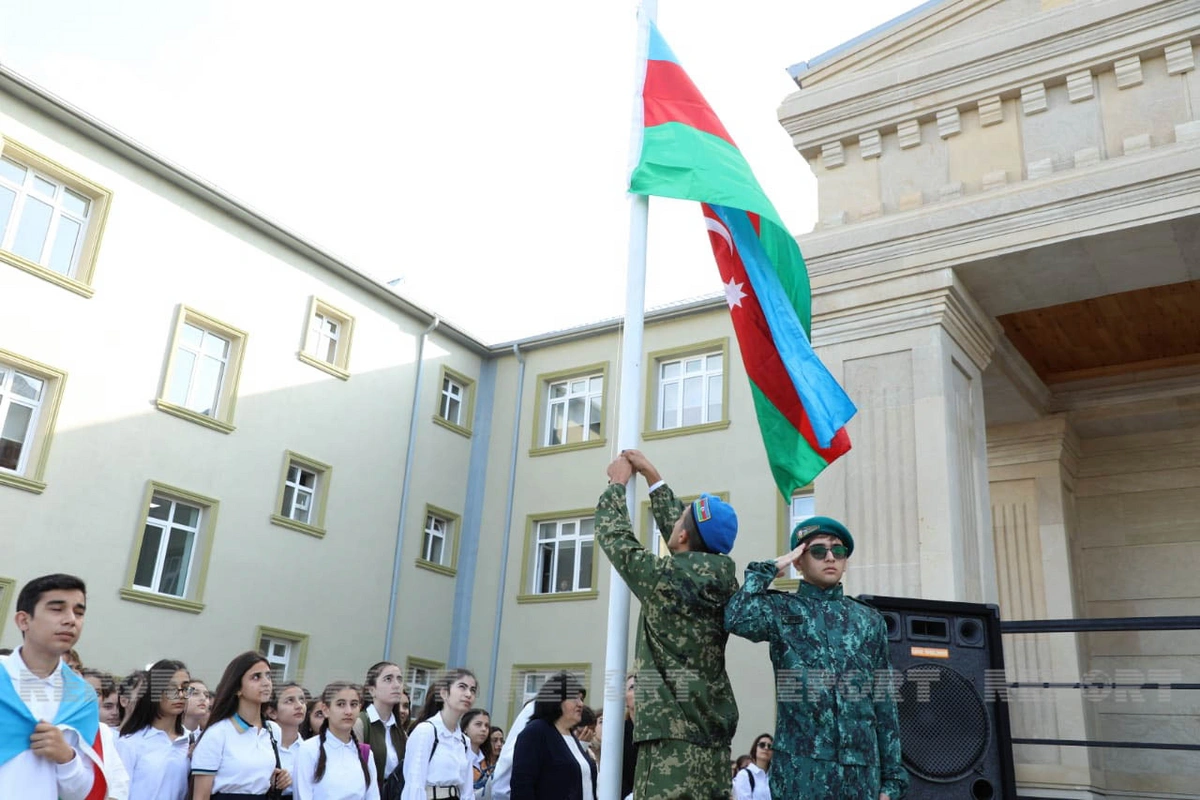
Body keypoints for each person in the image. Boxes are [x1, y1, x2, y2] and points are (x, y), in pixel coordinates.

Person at [725, 517, 908, 800]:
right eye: (819, 551)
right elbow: (736, 617)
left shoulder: (868, 620)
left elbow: (884, 702)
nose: (831, 557)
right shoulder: (782, 610)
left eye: (838, 550)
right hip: (801, 773)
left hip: (860, 774)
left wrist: (892, 780)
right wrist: (769, 569)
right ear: (799, 562)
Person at [595, 451, 740, 800]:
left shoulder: (664, 579)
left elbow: (616, 537)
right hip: (715, 747)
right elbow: (689, 537)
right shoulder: (726, 585)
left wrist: (616, 485)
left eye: (680, 520)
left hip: (669, 747)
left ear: (683, 536)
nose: (675, 524)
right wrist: (653, 477)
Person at [0, 573, 106, 800]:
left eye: (79, 612)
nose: (71, 620)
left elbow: (82, 792)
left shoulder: (82, 697)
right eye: (57, 609)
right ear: (23, 620)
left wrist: (66, 757)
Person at [190, 650, 292, 799]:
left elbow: (257, 778)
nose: (266, 683)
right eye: (256, 677)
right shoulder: (218, 733)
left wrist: (279, 779)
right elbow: (200, 796)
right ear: (237, 688)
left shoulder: (273, 730)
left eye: (268, 676)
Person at [510, 672, 596, 800]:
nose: (581, 704)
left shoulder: (571, 736)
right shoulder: (536, 732)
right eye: (574, 698)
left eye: (581, 699)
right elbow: (522, 787)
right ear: (557, 699)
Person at [117, 659, 192, 800]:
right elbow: (118, 793)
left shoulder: (190, 740)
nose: (181, 695)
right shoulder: (130, 742)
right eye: (171, 689)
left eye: (185, 688)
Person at [293, 681, 378, 800]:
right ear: (326, 709)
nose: (348, 711)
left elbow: (373, 796)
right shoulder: (308, 749)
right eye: (341, 704)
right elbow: (302, 795)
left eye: (354, 704)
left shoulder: (365, 754)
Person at [401, 668, 477, 800]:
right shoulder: (426, 731)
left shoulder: (464, 741)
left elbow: (467, 792)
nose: (468, 694)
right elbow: (414, 783)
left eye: (473, 690)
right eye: (462, 687)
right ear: (444, 693)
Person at [352, 661, 405, 799]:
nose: (396, 685)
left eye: (399, 679)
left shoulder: (400, 731)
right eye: (388, 679)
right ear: (372, 690)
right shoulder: (360, 723)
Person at [268, 683, 310, 796]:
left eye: (302, 700)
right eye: (290, 701)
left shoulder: (309, 749)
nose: (299, 706)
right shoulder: (264, 746)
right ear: (272, 712)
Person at [460, 708, 493, 795]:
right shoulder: (458, 755)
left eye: (486, 726)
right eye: (478, 724)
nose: (484, 729)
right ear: (465, 728)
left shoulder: (487, 760)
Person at [732, 734, 772, 800]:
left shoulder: (775, 777)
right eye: (762, 745)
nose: (766, 748)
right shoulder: (744, 775)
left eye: (770, 746)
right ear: (755, 749)